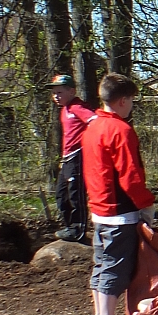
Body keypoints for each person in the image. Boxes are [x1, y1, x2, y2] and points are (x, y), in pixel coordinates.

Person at [82, 73, 156, 315]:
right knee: (116, 268)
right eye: (132, 99)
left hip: (99, 209)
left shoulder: (91, 127)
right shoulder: (121, 130)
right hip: (120, 212)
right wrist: (146, 204)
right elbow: (130, 175)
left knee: (101, 265)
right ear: (123, 100)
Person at [46, 74, 97, 242]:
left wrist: (88, 145)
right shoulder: (64, 110)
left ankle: (78, 230)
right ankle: (69, 226)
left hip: (78, 156)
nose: (56, 96)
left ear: (71, 91)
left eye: (59, 92)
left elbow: (94, 120)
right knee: (61, 194)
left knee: (76, 194)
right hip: (67, 157)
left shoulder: (77, 106)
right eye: (54, 93)